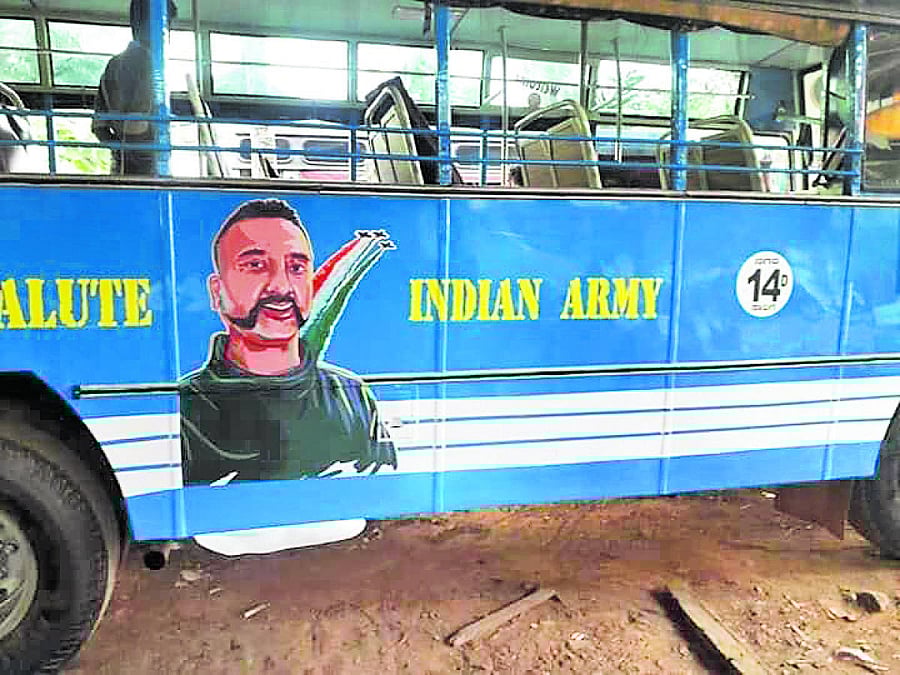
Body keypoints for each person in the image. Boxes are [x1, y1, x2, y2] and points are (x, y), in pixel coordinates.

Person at [179, 198, 397, 484]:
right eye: (255, 265)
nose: (281, 287)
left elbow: (383, 486)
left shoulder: (349, 395)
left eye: (296, 268)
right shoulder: (184, 409)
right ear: (216, 292)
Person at [92, 0, 177, 176]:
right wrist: (143, 153)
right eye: (167, 24)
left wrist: (119, 150)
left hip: (120, 165)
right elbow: (136, 123)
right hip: (148, 165)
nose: (168, 32)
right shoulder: (152, 64)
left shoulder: (112, 64)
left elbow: (99, 127)